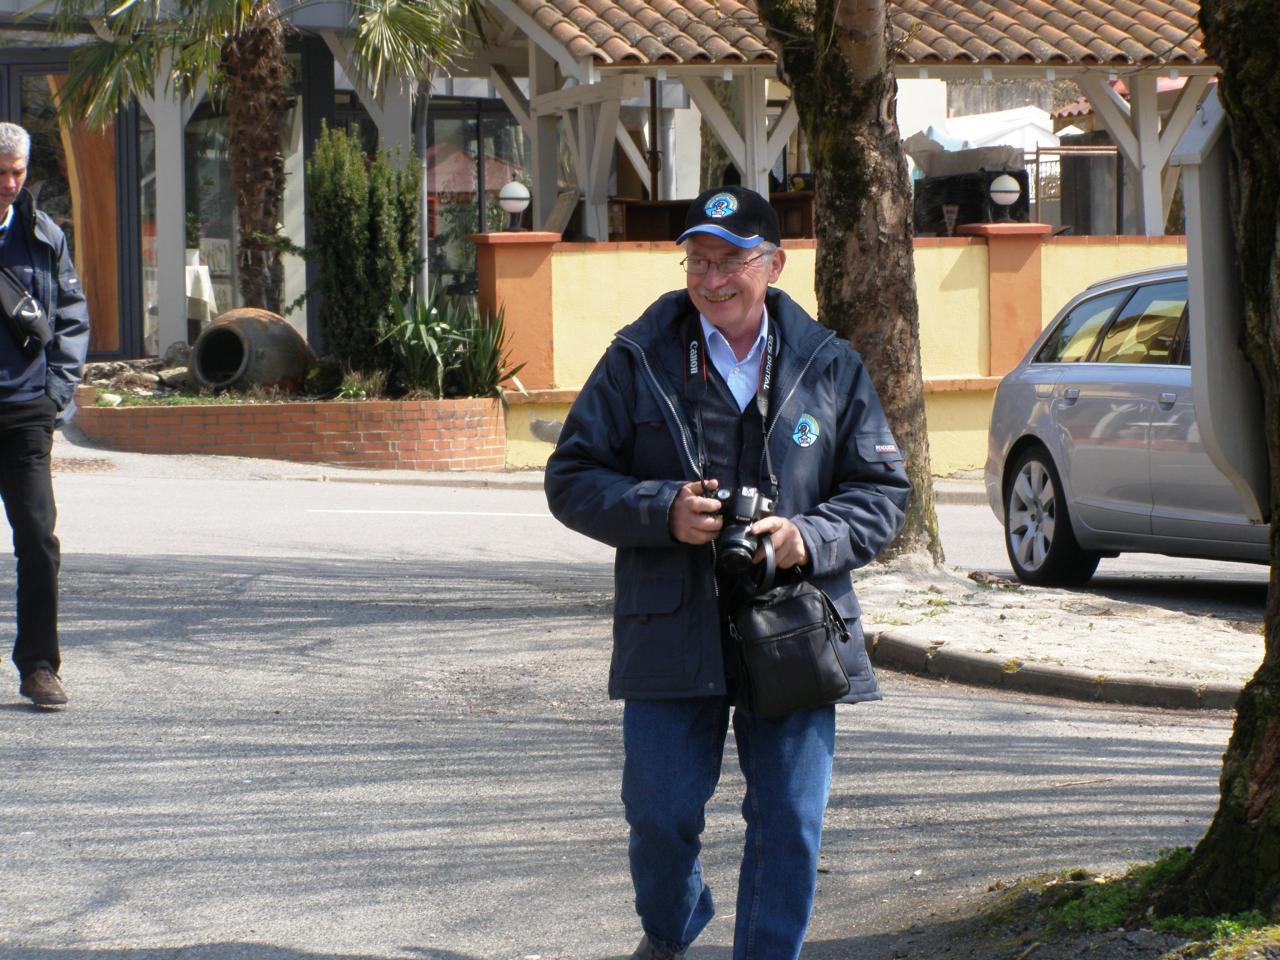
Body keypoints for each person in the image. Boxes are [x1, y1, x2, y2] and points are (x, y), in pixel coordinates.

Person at [544, 185, 910, 959]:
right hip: (668, 624)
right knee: (660, 813)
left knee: (789, 821)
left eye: (731, 261)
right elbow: (571, 478)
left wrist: (807, 536)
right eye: (698, 261)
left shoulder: (829, 365)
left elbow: (883, 496)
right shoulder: (637, 358)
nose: (712, 279)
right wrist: (659, 509)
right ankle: (671, 929)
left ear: (773, 264)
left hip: (794, 625)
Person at [0, 122, 90, 707]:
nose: (10, 183)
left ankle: (39, 666)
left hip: (25, 412)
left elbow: (72, 317)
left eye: (17, 171)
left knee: (37, 540)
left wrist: (56, 392)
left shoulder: (43, 233)